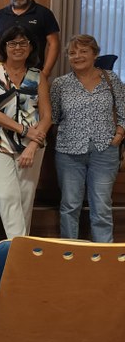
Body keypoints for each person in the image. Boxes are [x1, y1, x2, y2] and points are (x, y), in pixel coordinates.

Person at [51, 34, 125, 243]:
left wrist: (118, 136)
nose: (77, 56)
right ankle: (69, 252)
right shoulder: (60, 84)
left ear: (95, 54)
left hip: (105, 151)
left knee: (101, 207)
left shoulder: (111, 79)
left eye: (83, 51)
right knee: (69, 205)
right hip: (68, 153)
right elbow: (54, 118)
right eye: (72, 52)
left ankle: (104, 254)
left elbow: (123, 112)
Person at [0, 26, 51, 239]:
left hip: (32, 145)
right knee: (6, 195)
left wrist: (33, 145)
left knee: (25, 198)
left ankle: (18, 247)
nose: (18, 47)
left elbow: (47, 116)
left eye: (23, 43)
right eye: (12, 43)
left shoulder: (38, 75)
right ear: (4, 46)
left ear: (31, 47)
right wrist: (24, 130)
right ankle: (19, 247)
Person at [0, 0, 60, 78]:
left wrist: (46, 72)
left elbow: (54, 44)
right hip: (3, 75)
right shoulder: (0, 15)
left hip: (33, 74)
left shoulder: (44, 13)